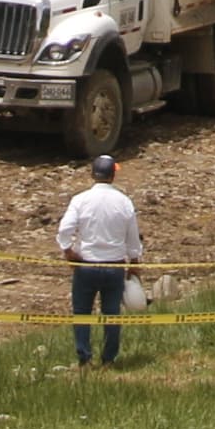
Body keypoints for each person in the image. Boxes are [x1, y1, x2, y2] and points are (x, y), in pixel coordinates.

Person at [57, 153, 142, 367]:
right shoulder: (124, 202)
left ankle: (84, 358)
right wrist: (134, 262)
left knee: (82, 313)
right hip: (114, 266)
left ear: (92, 174)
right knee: (112, 314)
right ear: (113, 175)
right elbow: (132, 237)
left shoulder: (80, 199)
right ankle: (109, 359)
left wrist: (68, 251)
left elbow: (65, 229)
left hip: (86, 264)